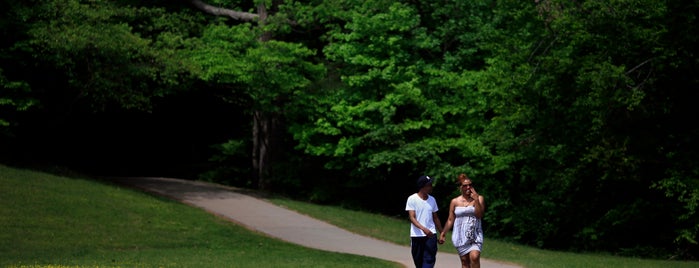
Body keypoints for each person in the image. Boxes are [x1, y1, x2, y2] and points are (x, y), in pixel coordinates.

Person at [439, 173, 485, 268]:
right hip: (460, 235)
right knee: (465, 262)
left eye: (470, 185)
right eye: (465, 185)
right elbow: (450, 219)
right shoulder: (455, 201)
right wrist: (443, 233)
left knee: (475, 257)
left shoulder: (479, 198)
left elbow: (479, 215)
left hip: (475, 234)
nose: (468, 187)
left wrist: (476, 200)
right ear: (460, 188)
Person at [405, 175, 444, 268]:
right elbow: (412, 217)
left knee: (429, 261)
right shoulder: (412, 199)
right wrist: (423, 229)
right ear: (422, 187)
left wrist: (442, 232)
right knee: (418, 262)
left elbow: (435, 218)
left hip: (431, 235)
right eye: (429, 185)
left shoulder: (432, 200)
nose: (431, 187)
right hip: (416, 235)